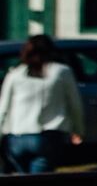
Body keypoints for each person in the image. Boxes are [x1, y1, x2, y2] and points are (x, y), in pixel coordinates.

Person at [0, 35, 84, 173]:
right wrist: (78, 130)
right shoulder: (61, 71)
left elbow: (3, 108)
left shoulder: (15, 74)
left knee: (20, 182)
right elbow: (75, 104)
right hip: (47, 136)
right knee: (39, 185)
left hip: (16, 137)